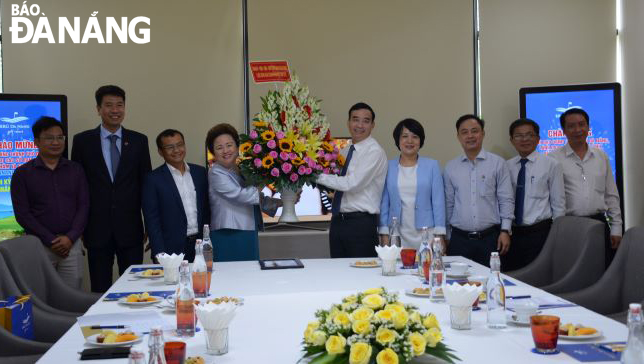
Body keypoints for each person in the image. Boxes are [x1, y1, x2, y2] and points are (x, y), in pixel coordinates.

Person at [71, 85, 152, 292]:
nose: (115, 110)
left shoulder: (139, 141)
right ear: (98, 109)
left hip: (131, 228)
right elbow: (77, 187)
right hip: (96, 228)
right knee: (100, 288)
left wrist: (148, 224)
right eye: (109, 105)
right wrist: (79, 226)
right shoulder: (82, 141)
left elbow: (146, 185)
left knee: (134, 288)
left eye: (120, 105)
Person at [11, 117, 89, 288]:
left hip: (71, 245)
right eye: (49, 138)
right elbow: (23, 214)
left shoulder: (75, 170)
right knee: (41, 296)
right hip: (39, 245)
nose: (56, 142)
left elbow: (83, 206)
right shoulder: (22, 174)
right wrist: (50, 239)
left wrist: (70, 237)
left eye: (60, 137)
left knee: (72, 297)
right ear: (37, 142)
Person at [550, 108, 622, 268]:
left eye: (582, 124)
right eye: (571, 126)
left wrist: (616, 227)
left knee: (600, 269)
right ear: (563, 130)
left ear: (588, 127)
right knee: (572, 271)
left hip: (598, 223)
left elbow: (611, 194)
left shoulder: (601, 156)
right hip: (569, 225)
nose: (577, 130)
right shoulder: (553, 159)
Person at [316, 102, 388, 258]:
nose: (360, 125)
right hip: (338, 222)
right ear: (348, 123)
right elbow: (334, 180)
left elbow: (352, 183)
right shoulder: (346, 150)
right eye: (355, 119)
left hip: (360, 224)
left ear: (373, 125)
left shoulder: (374, 152)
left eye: (366, 121)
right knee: (339, 274)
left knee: (362, 276)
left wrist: (315, 175)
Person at [444, 114, 514, 267]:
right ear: (458, 136)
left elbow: (506, 199)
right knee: (457, 285)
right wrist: (447, 236)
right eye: (464, 132)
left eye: (474, 131)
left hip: (491, 239)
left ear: (483, 133)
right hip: (459, 240)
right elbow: (449, 204)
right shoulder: (451, 168)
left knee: (490, 283)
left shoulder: (498, 164)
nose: (470, 136)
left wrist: (505, 231)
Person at [206, 123, 281, 261]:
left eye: (229, 145)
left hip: (246, 229)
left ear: (237, 146)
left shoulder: (238, 169)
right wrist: (265, 178)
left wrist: (281, 202)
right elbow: (241, 196)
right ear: (213, 152)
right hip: (228, 232)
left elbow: (252, 198)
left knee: (249, 273)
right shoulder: (215, 172)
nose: (225, 150)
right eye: (219, 147)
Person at [504, 118, 565, 271]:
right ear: (511, 140)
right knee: (513, 275)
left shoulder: (551, 164)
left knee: (539, 276)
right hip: (512, 234)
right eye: (518, 135)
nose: (524, 139)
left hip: (540, 233)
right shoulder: (506, 166)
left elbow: (559, 203)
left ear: (538, 138)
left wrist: (557, 236)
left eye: (529, 135)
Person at [142, 129, 210, 262]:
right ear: (160, 152)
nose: (177, 150)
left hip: (200, 244)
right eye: (170, 147)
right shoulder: (153, 179)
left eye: (180, 145)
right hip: (170, 249)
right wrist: (159, 253)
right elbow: (152, 219)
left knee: (203, 282)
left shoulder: (200, 173)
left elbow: (208, 209)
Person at [378, 118, 446, 251]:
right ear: (398, 140)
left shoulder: (432, 166)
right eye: (404, 136)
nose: (410, 141)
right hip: (397, 233)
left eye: (415, 137)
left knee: (425, 269)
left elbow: (438, 202)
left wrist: (439, 235)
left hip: (426, 233)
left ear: (421, 141)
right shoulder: (388, 166)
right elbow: (384, 203)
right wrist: (383, 232)